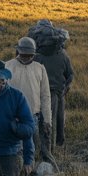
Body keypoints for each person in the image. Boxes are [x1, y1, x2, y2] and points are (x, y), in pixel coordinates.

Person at [5, 37, 53, 163]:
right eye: (23, 55)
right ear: (18, 52)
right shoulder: (8, 66)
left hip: (33, 117)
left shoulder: (40, 68)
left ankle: (31, 173)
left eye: (29, 55)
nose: (26, 58)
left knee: (32, 149)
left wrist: (47, 120)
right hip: (13, 117)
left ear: (34, 54)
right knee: (15, 150)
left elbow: (45, 96)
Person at [30, 20, 75, 150]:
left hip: (37, 92)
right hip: (57, 91)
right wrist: (65, 88)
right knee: (56, 119)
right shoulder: (62, 54)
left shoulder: (35, 56)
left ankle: (39, 148)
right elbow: (70, 74)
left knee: (39, 119)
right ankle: (55, 146)